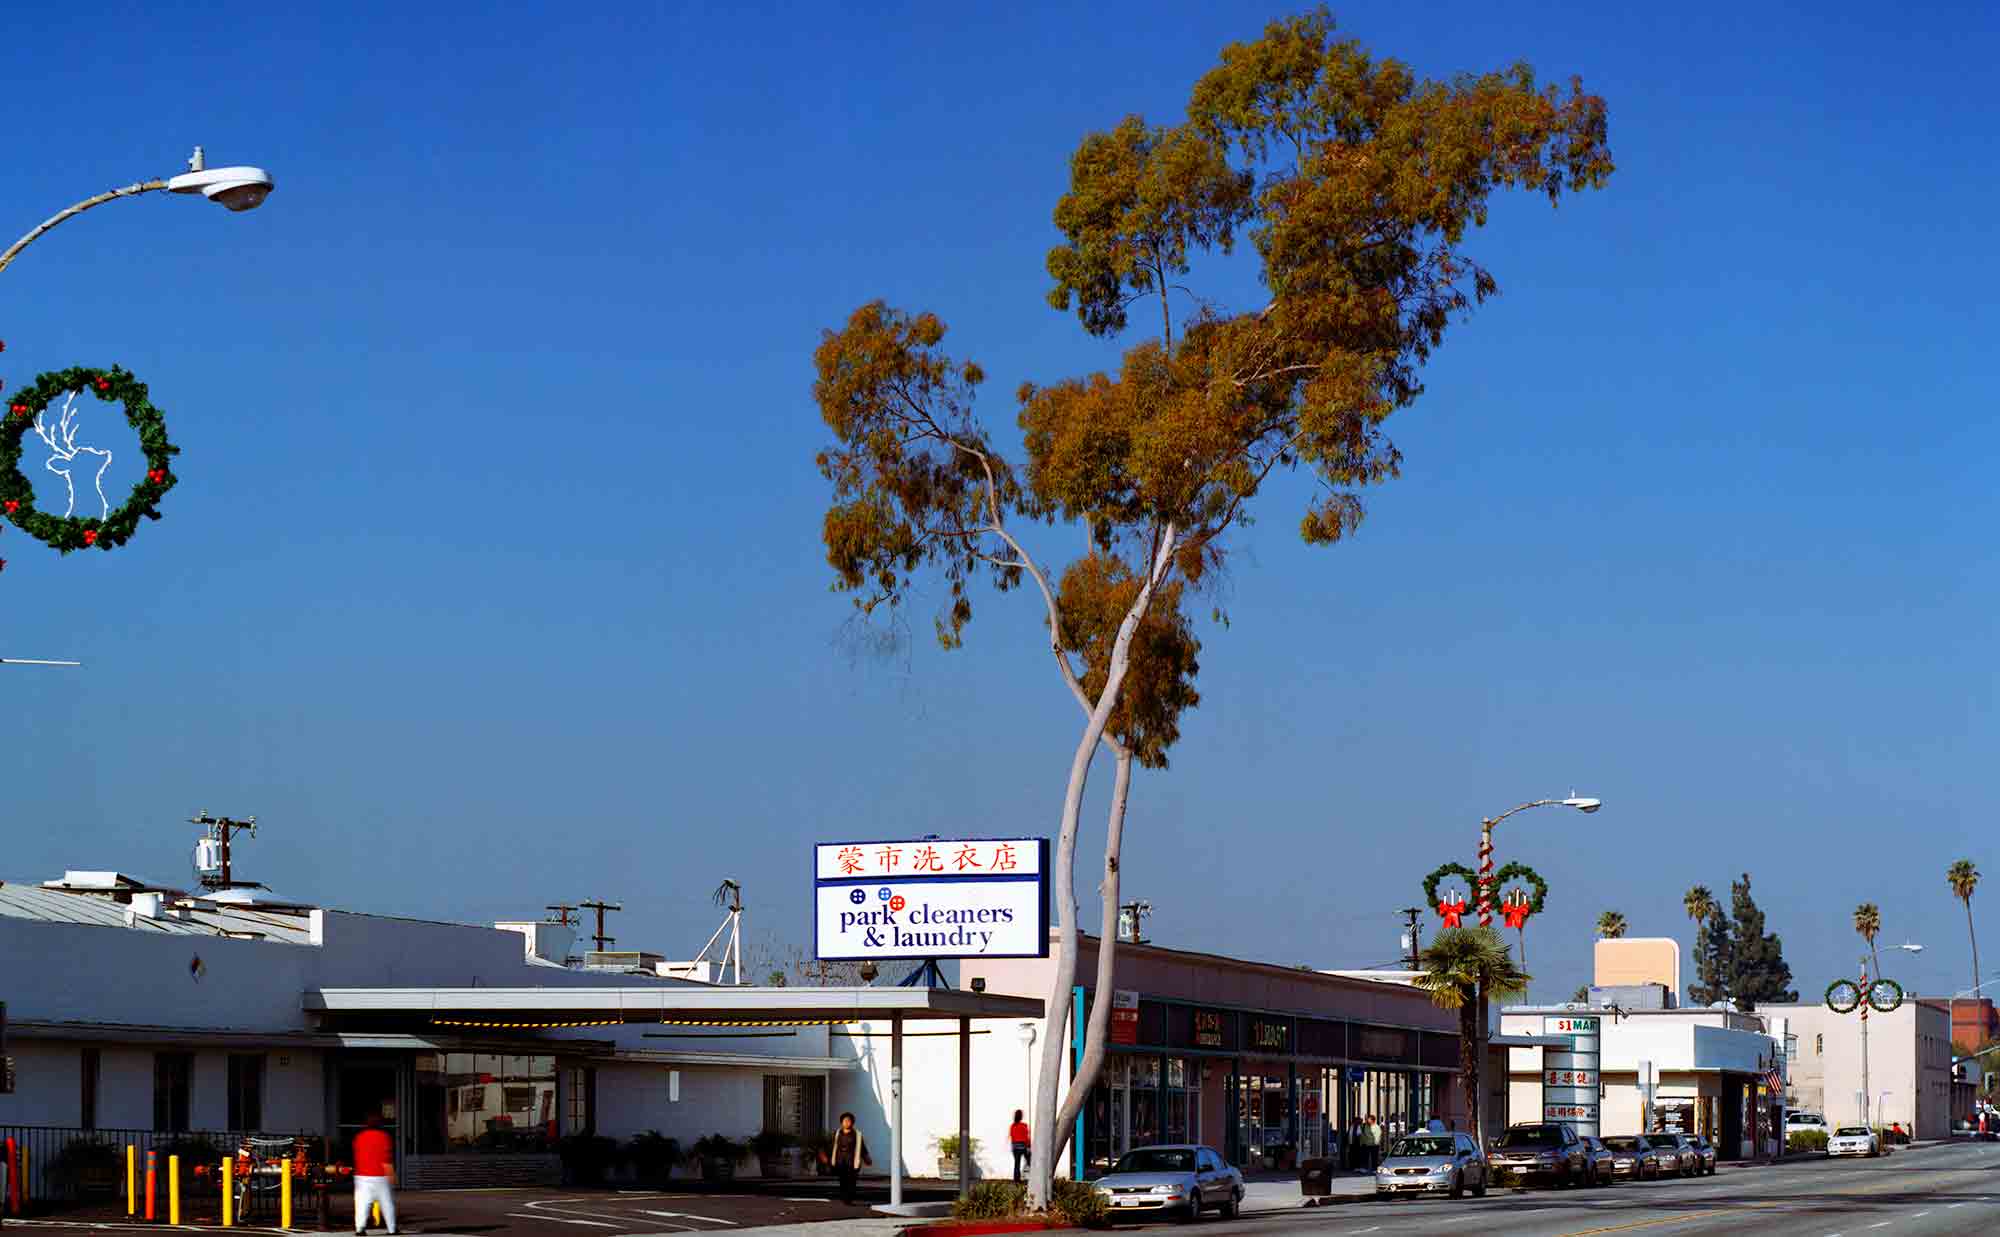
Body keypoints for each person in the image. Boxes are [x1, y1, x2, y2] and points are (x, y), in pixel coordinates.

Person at [352, 1114, 397, 1235]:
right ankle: (392, 1229)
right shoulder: (384, 1137)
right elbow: (387, 1158)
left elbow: (356, 1155)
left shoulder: (359, 1137)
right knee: (387, 1203)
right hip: (381, 1175)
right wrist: (392, 1176)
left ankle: (360, 1229)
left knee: (362, 1204)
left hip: (362, 1175)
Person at [829, 1111, 872, 1205]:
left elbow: (862, 1147)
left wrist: (866, 1158)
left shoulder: (857, 1134)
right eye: (845, 1121)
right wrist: (829, 1158)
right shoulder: (837, 1133)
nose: (847, 1122)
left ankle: (849, 1198)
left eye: (849, 1121)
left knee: (851, 1181)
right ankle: (845, 1198)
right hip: (840, 1161)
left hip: (852, 1161)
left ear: (852, 1122)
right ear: (841, 1122)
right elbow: (832, 1146)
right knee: (843, 1181)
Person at [1008, 1110, 1031, 1183]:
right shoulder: (1024, 1125)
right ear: (1021, 1116)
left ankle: (1016, 1181)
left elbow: (1012, 1137)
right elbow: (1027, 1137)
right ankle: (1033, 1177)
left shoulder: (1012, 1126)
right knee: (1030, 1162)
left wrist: (1013, 1147)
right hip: (1023, 1146)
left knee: (1017, 1164)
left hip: (1015, 1147)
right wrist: (1028, 1147)